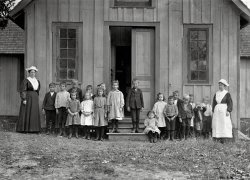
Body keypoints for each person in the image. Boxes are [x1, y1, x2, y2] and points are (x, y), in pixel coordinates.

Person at [17, 66, 41, 133]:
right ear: (29, 73)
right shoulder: (26, 80)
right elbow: (23, 90)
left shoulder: (37, 81)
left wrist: (36, 97)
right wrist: (24, 99)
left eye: (34, 72)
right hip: (28, 97)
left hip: (35, 98)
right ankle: (26, 129)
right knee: (27, 112)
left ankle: (35, 129)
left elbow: (38, 90)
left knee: (34, 112)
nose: (33, 73)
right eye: (31, 72)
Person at [212, 79, 233, 143]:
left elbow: (230, 102)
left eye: (221, 85)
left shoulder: (227, 93)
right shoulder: (216, 93)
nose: (220, 86)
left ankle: (224, 139)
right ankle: (217, 138)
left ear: (224, 86)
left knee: (224, 123)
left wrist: (228, 110)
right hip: (217, 110)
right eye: (219, 85)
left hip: (224, 110)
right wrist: (213, 110)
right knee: (217, 123)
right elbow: (214, 102)